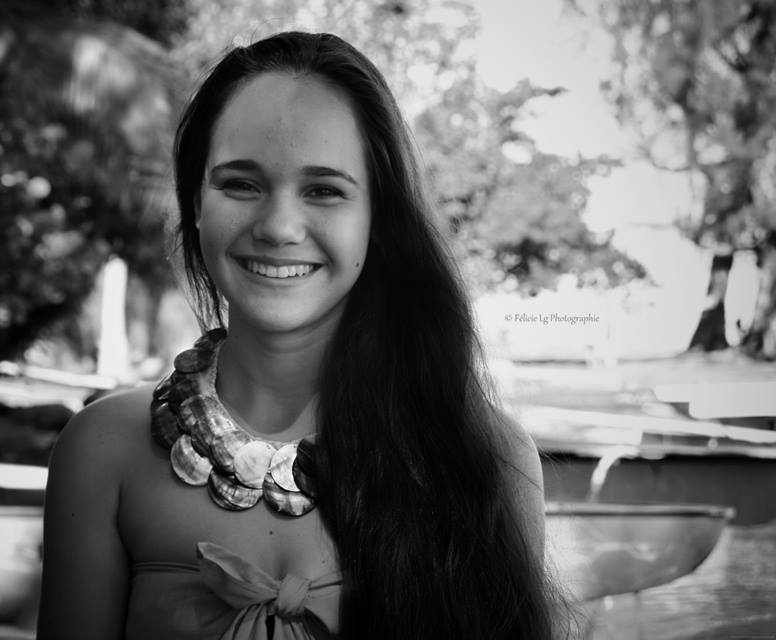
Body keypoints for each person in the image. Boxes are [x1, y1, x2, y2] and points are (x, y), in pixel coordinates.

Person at [37, 31, 564, 640]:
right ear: (196, 203)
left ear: (378, 219)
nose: (280, 227)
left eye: (324, 191)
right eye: (241, 183)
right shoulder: (103, 450)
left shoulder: (489, 458)